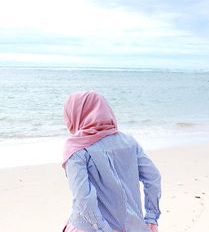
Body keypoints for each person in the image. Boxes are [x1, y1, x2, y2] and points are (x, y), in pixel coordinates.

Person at [62, 91, 162, 232]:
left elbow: (84, 199)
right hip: (132, 226)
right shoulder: (130, 142)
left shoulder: (77, 148)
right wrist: (151, 218)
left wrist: (104, 228)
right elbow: (153, 177)